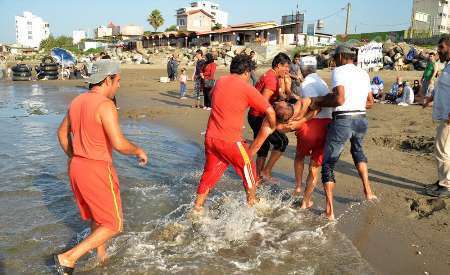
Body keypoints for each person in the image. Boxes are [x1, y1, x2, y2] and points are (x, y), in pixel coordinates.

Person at [54, 60, 148, 274]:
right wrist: (138, 150)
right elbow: (119, 143)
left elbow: (61, 133)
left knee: (99, 216)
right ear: (108, 79)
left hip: (77, 167)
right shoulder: (106, 105)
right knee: (114, 224)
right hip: (97, 169)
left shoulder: (77, 101)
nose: (118, 86)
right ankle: (69, 257)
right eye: (118, 81)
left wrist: (74, 156)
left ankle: (101, 255)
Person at [194, 54, 276, 211]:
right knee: (249, 168)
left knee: (209, 173)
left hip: (211, 138)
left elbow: (212, 97)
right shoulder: (247, 88)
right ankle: (252, 204)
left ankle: (197, 207)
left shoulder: (220, 81)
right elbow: (270, 112)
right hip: (231, 141)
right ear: (246, 72)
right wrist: (272, 127)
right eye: (249, 73)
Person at [309, 43, 377, 220]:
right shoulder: (363, 72)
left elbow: (339, 99)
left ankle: (330, 211)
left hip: (343, 121)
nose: (333, 61)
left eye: (334, 58)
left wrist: (320, 102)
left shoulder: (339, 71)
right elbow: (370, 102)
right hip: (361, 119)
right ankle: (368, 191)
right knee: (358, 152)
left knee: (328, 164)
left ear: (340, 57)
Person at [290, 57, 333, 209]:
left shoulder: (306, 84)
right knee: (314, 168)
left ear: (302, 69)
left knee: (299, 156)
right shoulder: (322, 82)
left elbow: (315, 107)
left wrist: (299, 121)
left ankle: (298, 186)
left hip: (312, 126)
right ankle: (305, 202)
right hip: (327, 126)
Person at [248, 52, 291, 180]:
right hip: (259, 116)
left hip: (253, 115)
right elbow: (264, 102)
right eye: (286, 67)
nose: (287, 70)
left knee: (263, 146)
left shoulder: (270, 74)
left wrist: (283, 97)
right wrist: (275, 121)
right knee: (282, 142)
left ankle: (257, 177)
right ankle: (265, 171)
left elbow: (271, 95)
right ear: (278, 65)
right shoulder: (272, 79)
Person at [423, 36, 450, 198]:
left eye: (441, 47)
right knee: (444, 150)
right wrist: (430, 99)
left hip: (448, 118)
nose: (438, 50)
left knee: (441, 151)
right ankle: (442, 180)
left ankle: (445, 185)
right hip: (443, 115)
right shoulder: (446, 67)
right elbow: (441, 88)